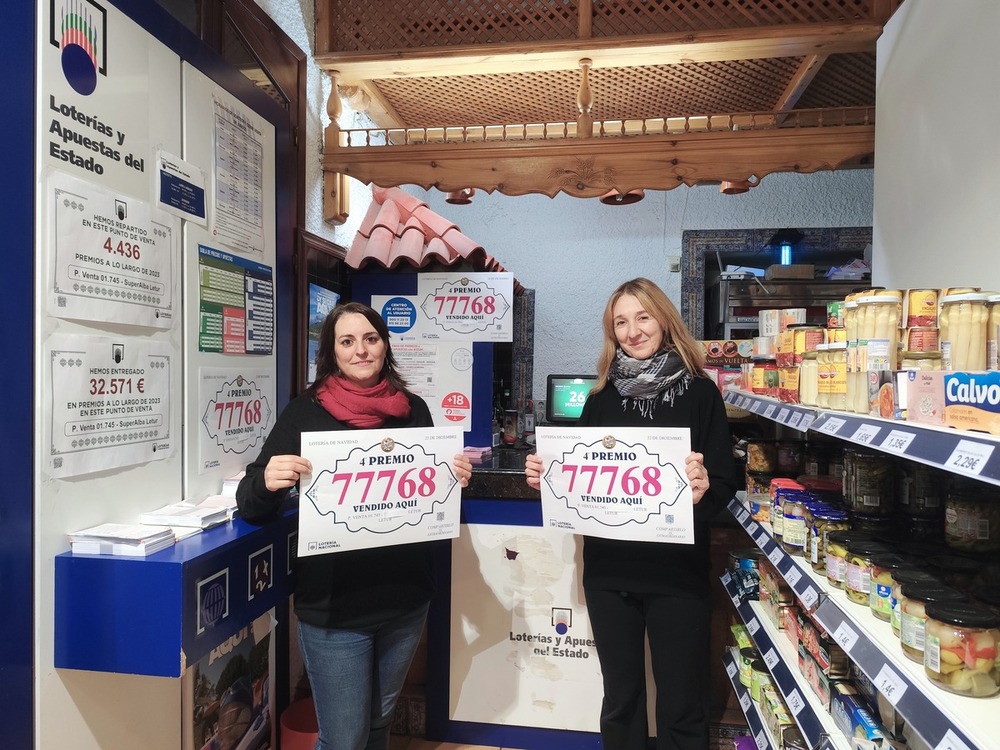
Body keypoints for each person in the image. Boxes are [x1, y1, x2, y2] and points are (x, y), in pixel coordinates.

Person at [237, 301, 473, 750]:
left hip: (405, 601)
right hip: (335, 610)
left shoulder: (413, 410)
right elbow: (250, 502)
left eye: (370, 339)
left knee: (380, 724)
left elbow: (429, 494)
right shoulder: (303, 415)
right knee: (344, 740)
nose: (361, 350)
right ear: (331, 352)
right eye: (347, 341)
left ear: (384, 345)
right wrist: (267, 481)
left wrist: (452, 478)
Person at [525, 278, 737, 750]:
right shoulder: (601, 398)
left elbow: (724, 483)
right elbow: (576, 475)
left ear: (664, 320)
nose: (633, 331)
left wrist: (705, 489)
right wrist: (549, 475)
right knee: (620, 700)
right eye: (620, 322)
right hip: (609, 572)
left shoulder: (701, 395)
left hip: (676, 574)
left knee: (682, 704)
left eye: (642, 317)